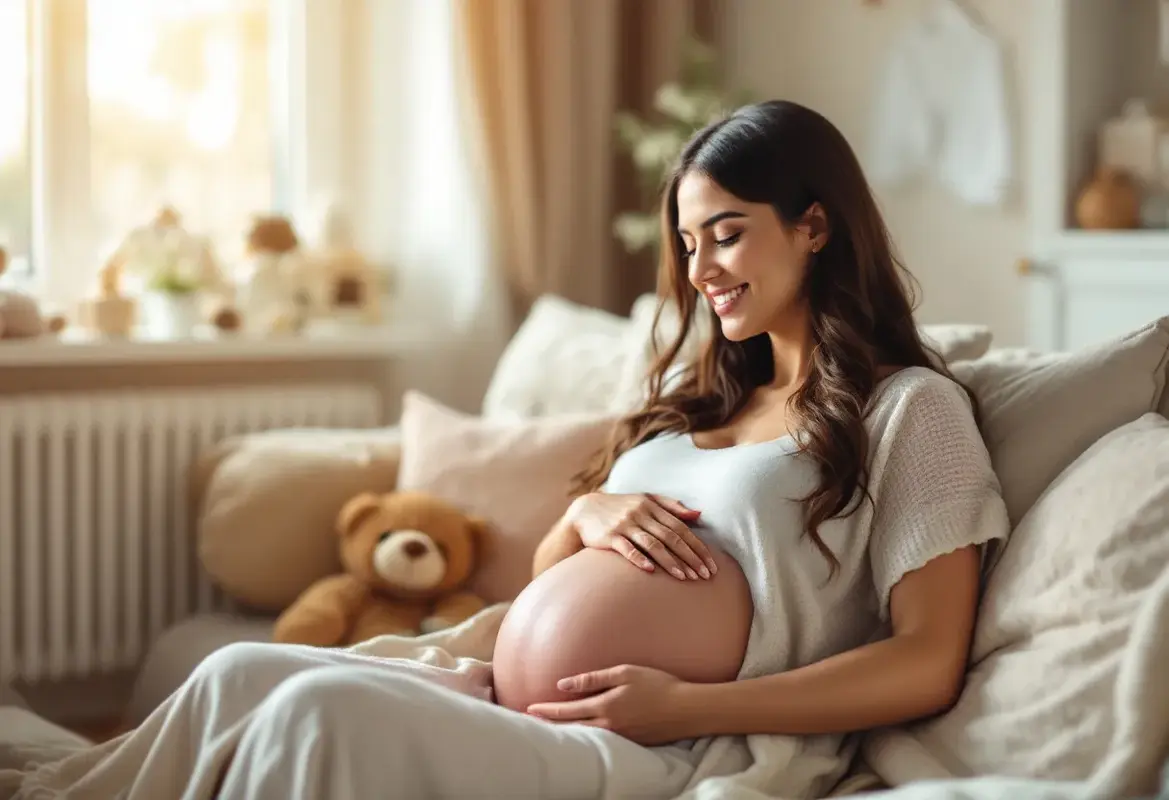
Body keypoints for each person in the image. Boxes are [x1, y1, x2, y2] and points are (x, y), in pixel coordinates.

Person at [15, 100, 1009, 799]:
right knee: (238, 670)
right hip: (504, 682)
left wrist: (688, 703)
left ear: (814, 225)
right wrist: (585, 513)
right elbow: (552, 579)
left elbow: (924, 660)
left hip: (677, 741)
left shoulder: (906, 411)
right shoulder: (704, 397)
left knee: (317, 710)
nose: (699, 270)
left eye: (725, 234)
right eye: (687, 243)